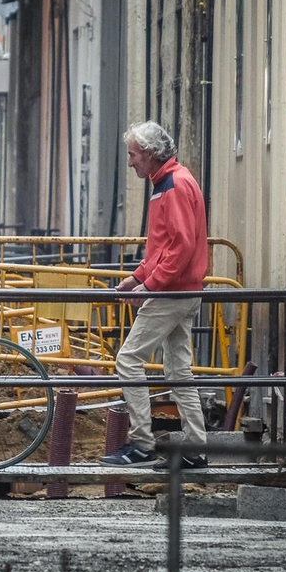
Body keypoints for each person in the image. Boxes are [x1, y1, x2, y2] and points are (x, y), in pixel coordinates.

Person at [100, 121, 210, 469]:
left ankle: (142, 443)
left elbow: (177, 247)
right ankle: (195, 446)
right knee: (178, 368)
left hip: (172, 291)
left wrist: (149, 284)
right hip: (185, 289)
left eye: (132, 155)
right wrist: (137, 278)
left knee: (128, 359)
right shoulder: (174, 180)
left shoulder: (171, 187)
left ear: (148, 154)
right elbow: (167, 247)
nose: (130, 162)